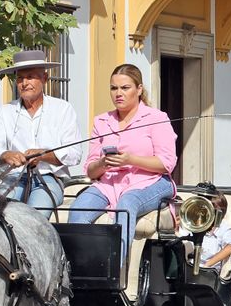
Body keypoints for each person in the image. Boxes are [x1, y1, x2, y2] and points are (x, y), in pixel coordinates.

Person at [70, 63, 178, 265]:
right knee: (78, 209)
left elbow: (166, 163)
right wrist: (103, 163)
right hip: (108, 183)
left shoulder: (156, 118)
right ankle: (81, 268)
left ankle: (115, 270)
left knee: (127, 204)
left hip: (150, 181)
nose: (118, 93)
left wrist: (130, 159)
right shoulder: (102, 121)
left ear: (139, 89)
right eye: (114, 88)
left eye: (125, 88)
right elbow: (91, 170)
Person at [0, 49, 83, 208]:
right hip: (13, 177)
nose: (24, 83)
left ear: (45, 78)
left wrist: (43, 155)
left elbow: (74, 154)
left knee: (36, 214)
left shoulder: (62, 109)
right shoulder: (6, 111)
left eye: (30, 77)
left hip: (49, 178)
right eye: (20, 78)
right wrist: (5, 155)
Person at [199, 193, 231, 271]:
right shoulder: (196, 223)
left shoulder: (224, 228)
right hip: (187, 266)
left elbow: (230, 247)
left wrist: (207, 265)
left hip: (209, 271)